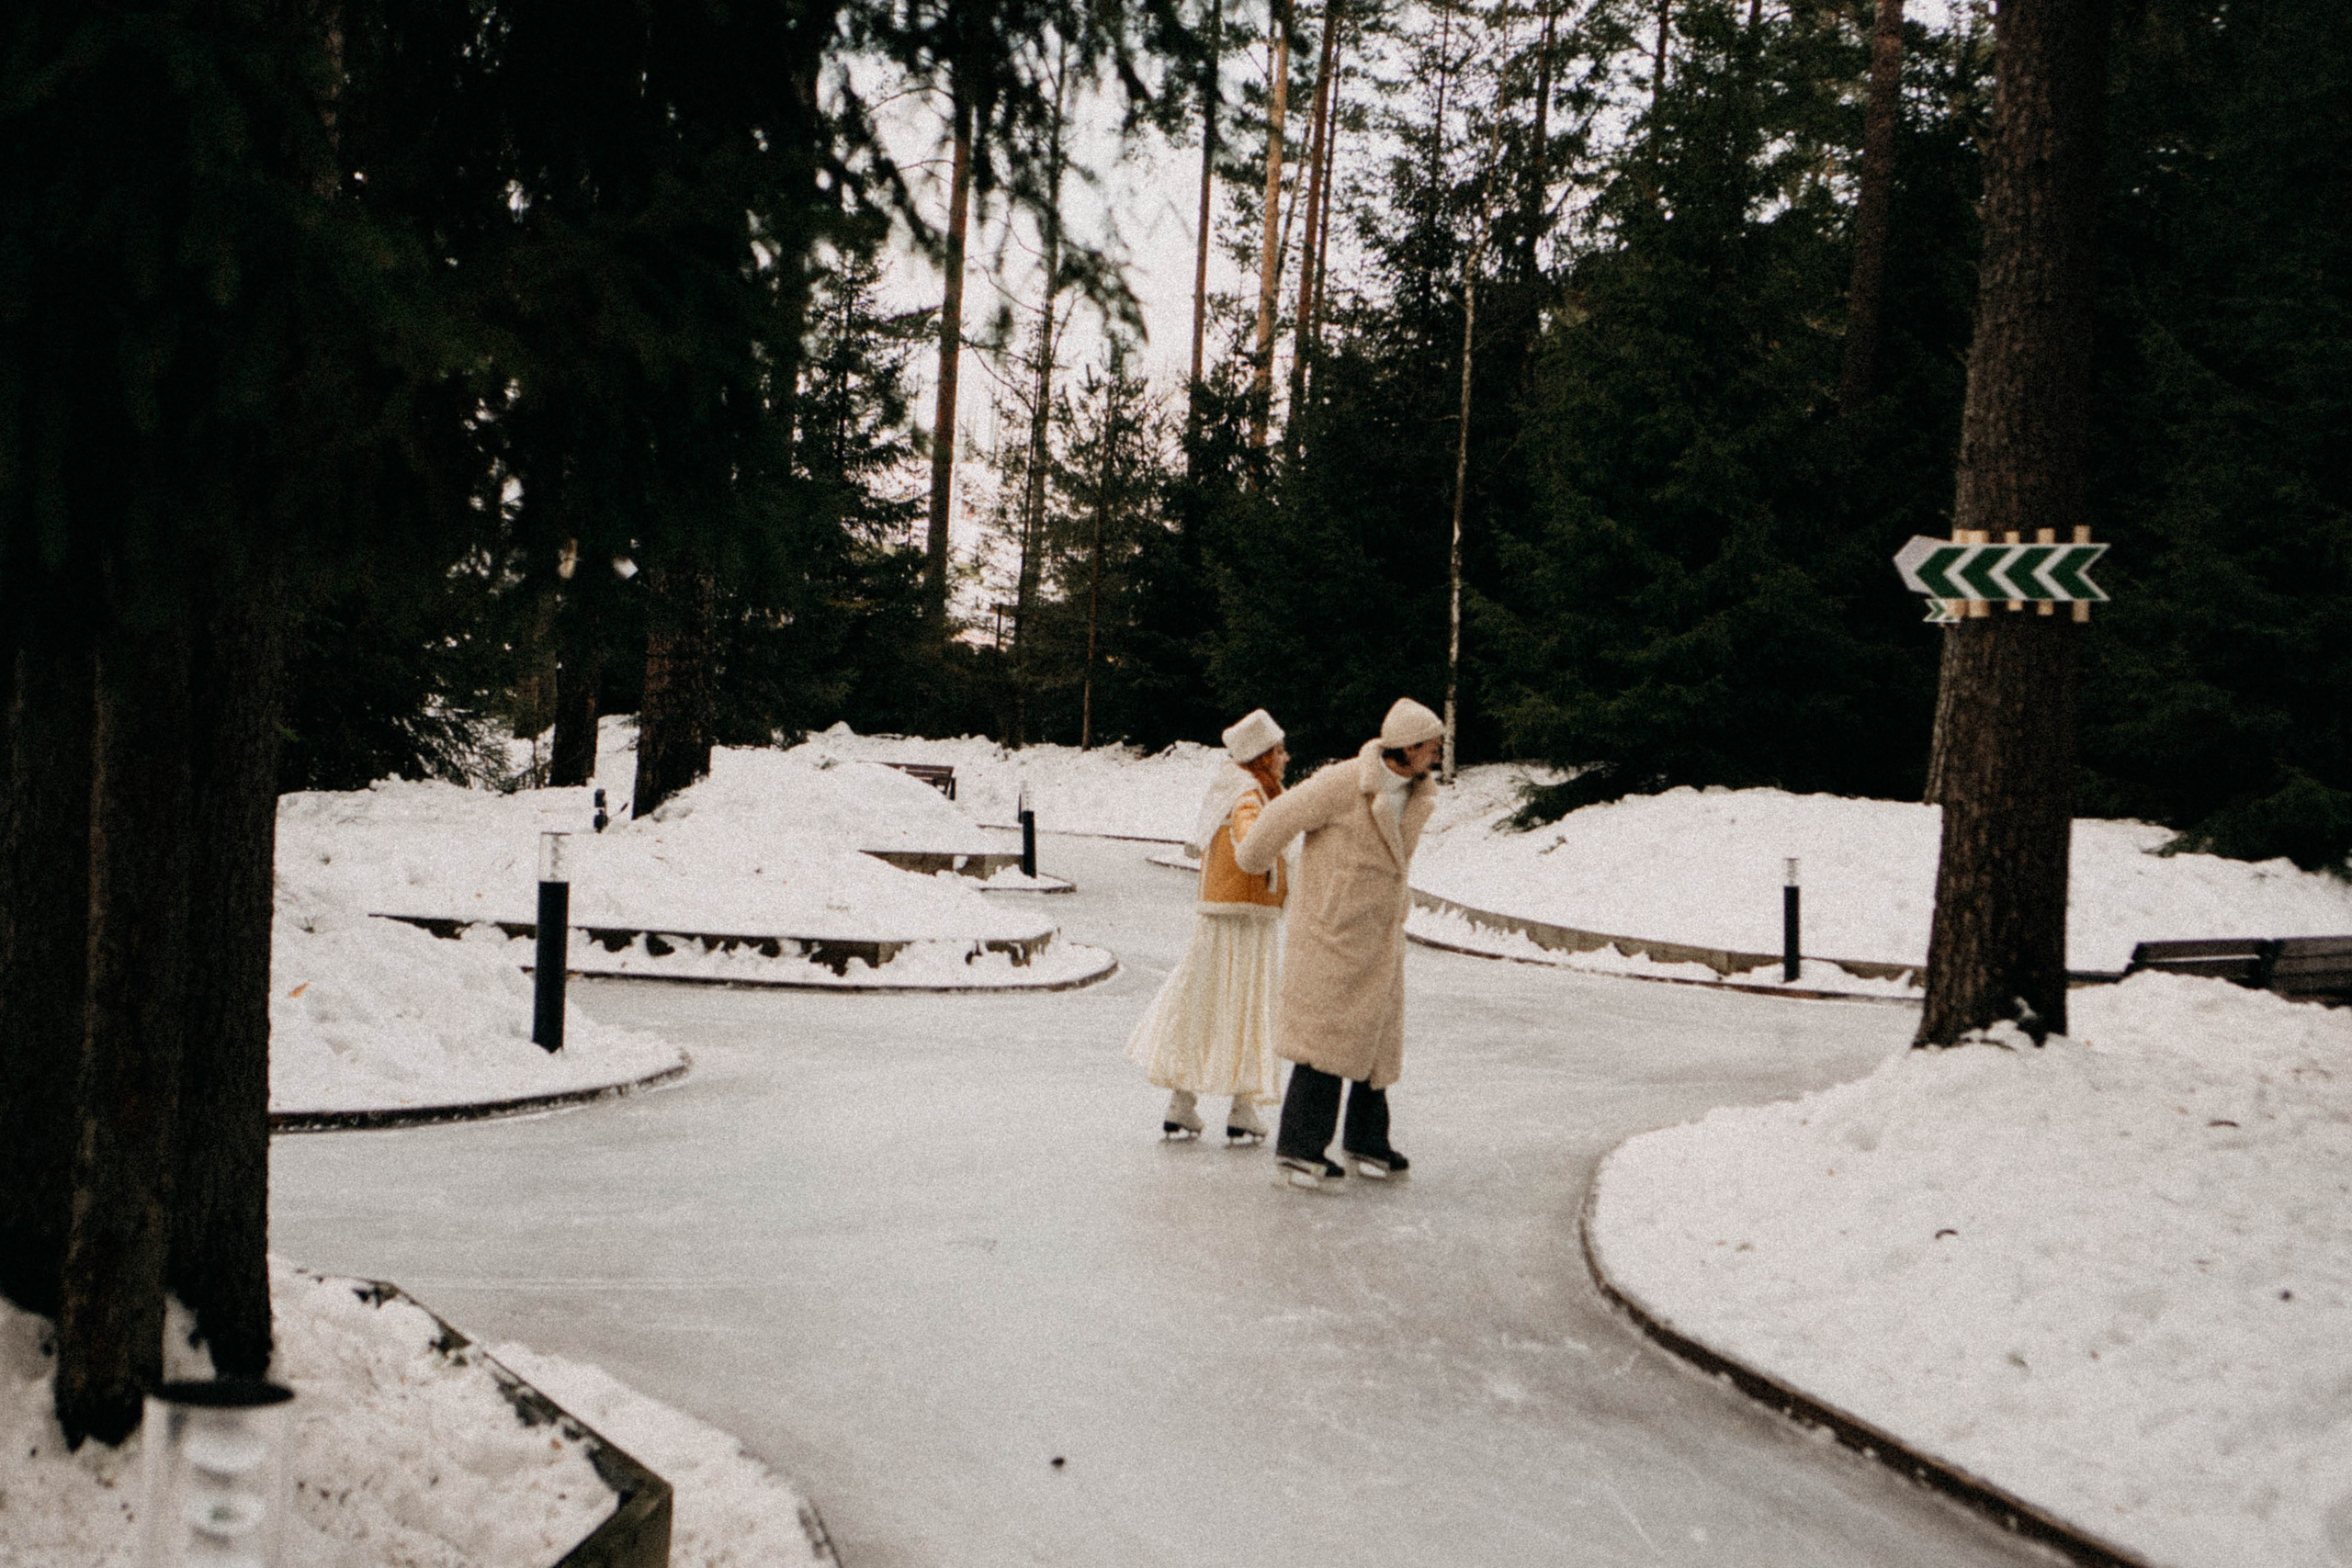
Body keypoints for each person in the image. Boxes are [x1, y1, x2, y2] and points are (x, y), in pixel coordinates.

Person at [1235, 698, 1444, 1189]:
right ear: (1409, 746)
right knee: (1323, 1043)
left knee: (1375, 1044)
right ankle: (1299, 1147)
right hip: (1332, 935)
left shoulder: (1418, 792)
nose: (1438, 752)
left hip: (1380, 937)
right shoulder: (1344, 782)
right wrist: (1252, 858)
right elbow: (1281, 814)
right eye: (1432, 744)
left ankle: (1367, 1139)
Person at [1125, 708, 1291, 1145]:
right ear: (1262, 757)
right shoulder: (1249, 795)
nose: (1286, 757)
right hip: (1246, 919)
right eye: (1279, 750)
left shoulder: (1235, 789)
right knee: (1248, 1007)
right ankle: (1243, 1107)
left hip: (1220, 915)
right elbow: (1250, 842)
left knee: (1201, 1002)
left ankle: (1183, 1103)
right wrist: (1267, 857)